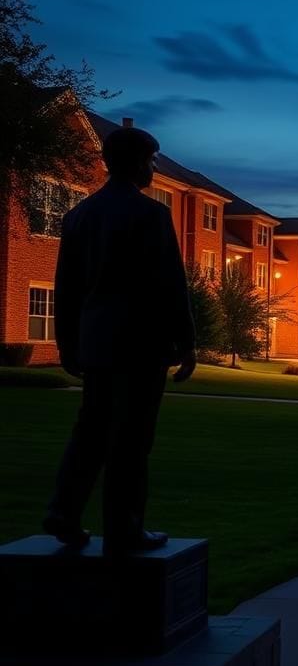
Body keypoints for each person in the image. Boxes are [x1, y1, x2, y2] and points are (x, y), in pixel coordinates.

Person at [44, 125, 197, 556]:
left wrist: (67, 344)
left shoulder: (79, 216)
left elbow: (67, 287)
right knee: (131, 439)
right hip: (139, 343)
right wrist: (186, 341)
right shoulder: (150, 215)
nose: (153, 168)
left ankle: (63, 511)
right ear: (135, 162)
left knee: (90, 430)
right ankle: (124, 529)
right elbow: (170, 282)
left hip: (96, 343)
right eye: (151, 160)